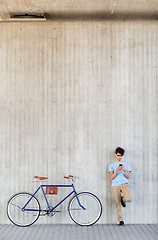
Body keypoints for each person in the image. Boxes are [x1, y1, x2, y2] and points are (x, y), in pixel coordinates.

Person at [109, 147, 132, 226]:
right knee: (117, 203)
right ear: (115, 154)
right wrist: (117, 170)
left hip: (124, 184)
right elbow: (112, 177)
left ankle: (123, 199)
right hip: (115, 185)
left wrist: (124, 170)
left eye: (121, 155)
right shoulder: (111, 165)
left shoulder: (127, 164)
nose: (120, 157)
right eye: (118, 155)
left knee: (128, 199)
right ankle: (120, 220)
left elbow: (128, 177)